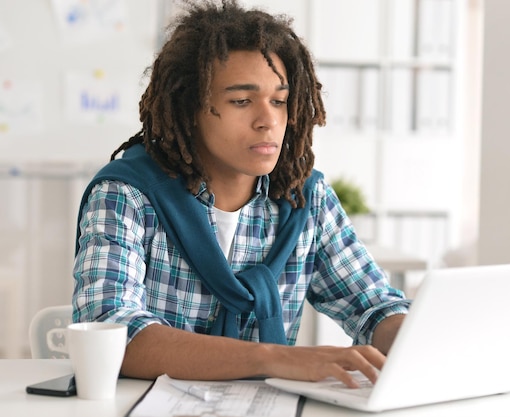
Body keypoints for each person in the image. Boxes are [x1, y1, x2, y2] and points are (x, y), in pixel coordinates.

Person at [72, 0, 409, 388]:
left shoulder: (306, 198)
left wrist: (412, 338)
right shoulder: (126, 195)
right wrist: (278, 359)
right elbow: (112, 330)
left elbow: (375, 306)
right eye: (241, 101)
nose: (268, 120)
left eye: (279, 101)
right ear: (190, 107)